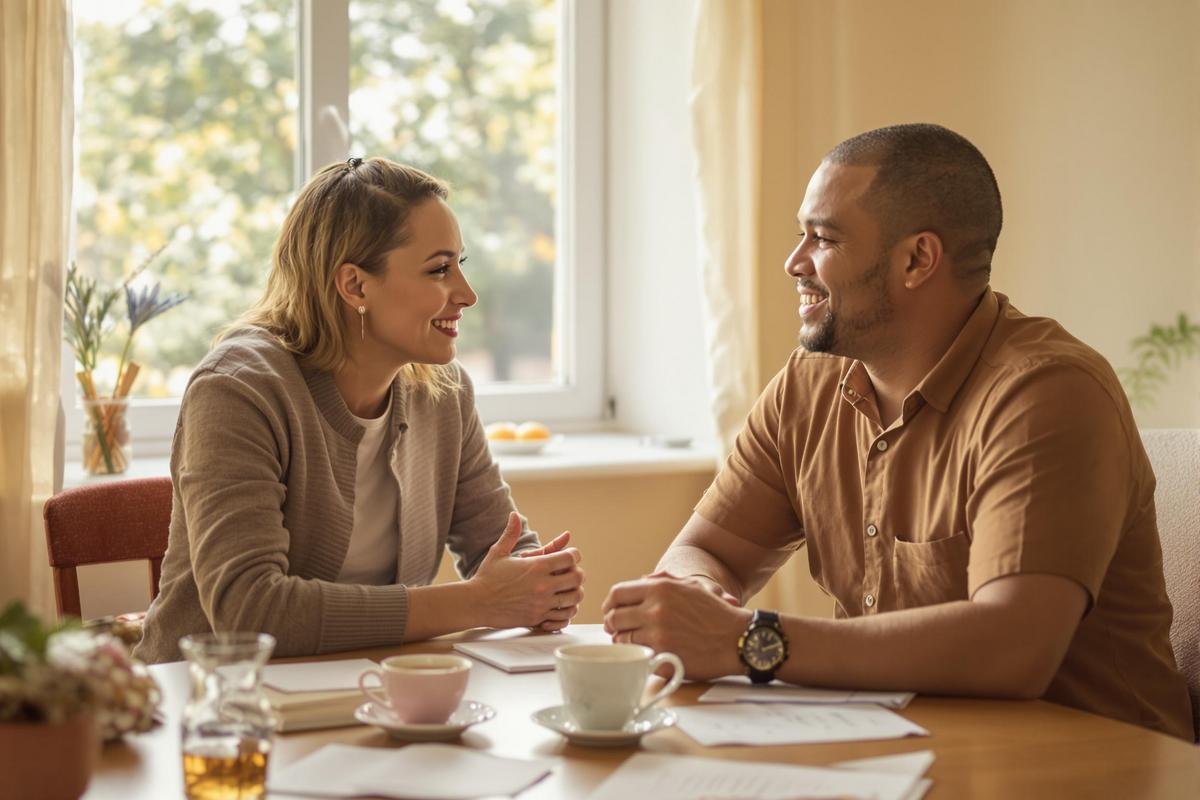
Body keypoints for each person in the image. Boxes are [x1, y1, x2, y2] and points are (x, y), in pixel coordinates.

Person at [600, 124, 1194, 740]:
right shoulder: (810, 385)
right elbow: (710, 552)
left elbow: (1012, 648)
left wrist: (752, 643)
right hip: (895, 755)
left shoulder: (1046, 392)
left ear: (917, 259)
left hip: (1090, 770)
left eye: (823, 238)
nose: (794, 262)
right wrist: (701, 601)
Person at [136, 157, 584, 664]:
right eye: (439, 269)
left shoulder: (445, 393)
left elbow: (498, 543)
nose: (467, 293)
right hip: (212, 709)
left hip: (368, 693)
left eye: (461, 264)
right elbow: (250, 610)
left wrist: (538, 581)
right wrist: (478, 602)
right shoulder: (239, 389)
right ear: (355, 286)